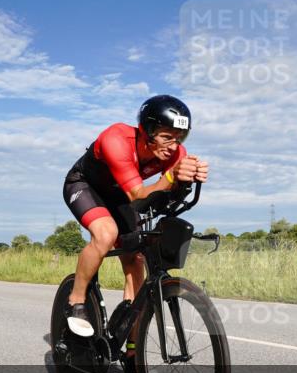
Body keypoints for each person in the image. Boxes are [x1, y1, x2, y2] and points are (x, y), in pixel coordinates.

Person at [62, 95, 208, 339]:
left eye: (179, 138)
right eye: (166, 136)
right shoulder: (116, 139)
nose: (174, 145)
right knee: (106, 234)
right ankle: (75, 301)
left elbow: (165, 192)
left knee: (136, 257)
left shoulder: (175, 153)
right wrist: (171, 177)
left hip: (121, 196)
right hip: (85, 186)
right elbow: (138, 194)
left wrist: (188, 179)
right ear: (147, 131)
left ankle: (131, 344)